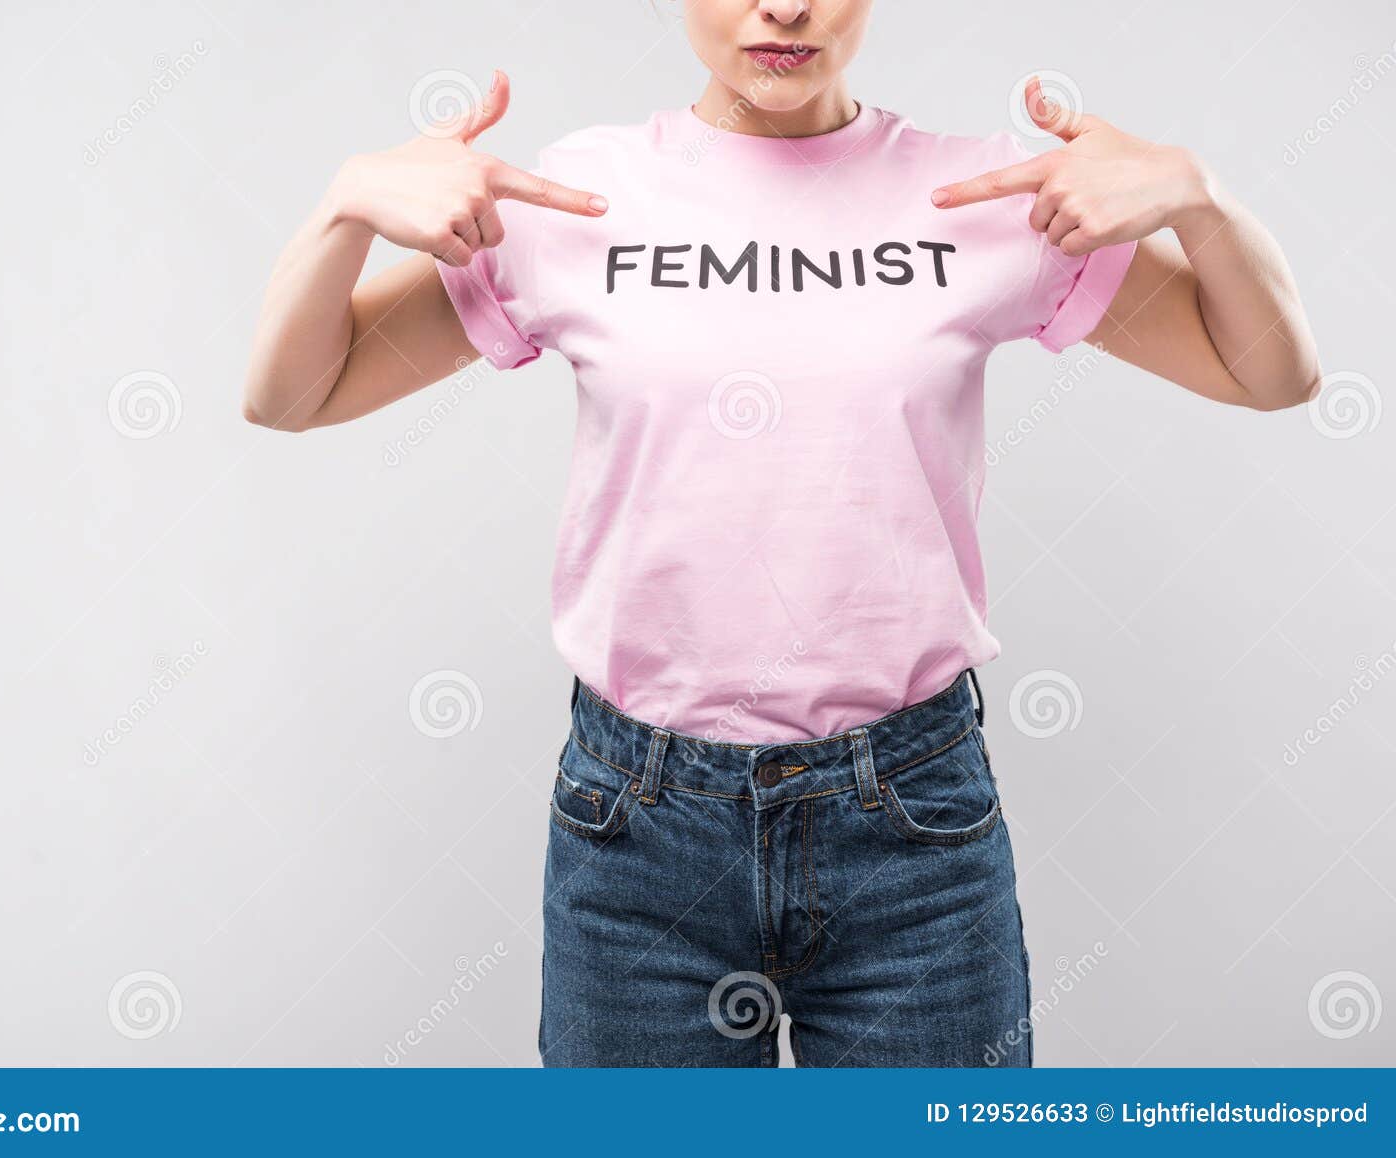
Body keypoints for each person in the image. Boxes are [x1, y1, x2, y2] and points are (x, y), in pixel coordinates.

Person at [241, 1, 1318, 1067]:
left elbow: (1268, 371)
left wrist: (1202, 199)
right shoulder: (571, 195)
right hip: (636, 830)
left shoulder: (992, 197)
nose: (785, 6)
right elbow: (294, 394)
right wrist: (344, 210)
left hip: (910, 828)